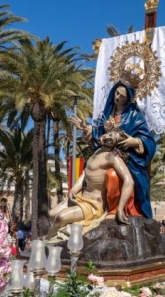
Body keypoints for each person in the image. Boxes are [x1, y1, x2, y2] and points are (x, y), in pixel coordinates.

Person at [71, 81, 156, 221]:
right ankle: (96, 207)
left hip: (128, 160)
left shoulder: (135, 116)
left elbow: (149, 141)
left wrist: (133, 141)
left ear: (128, 98)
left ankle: (116, 210)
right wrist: (85, 127)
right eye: (117, 93)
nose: (118, 98)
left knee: (113, 175)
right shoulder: (107, 114)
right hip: (106, 157)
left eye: (122, 96)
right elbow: (97, 137)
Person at [44, 130, 135, 239]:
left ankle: (48, 238)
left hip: (93, 205)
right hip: (81, 197)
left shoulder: (112, 157)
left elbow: (129, 181)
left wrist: (120, 208)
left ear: (116, 144)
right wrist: (75, 188)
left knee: (61, 217)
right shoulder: (97, 152)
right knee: (51, 214)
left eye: (113, 139)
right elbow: (86, 172)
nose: (109, 138)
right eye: (109, 134)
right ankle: (62, 232)